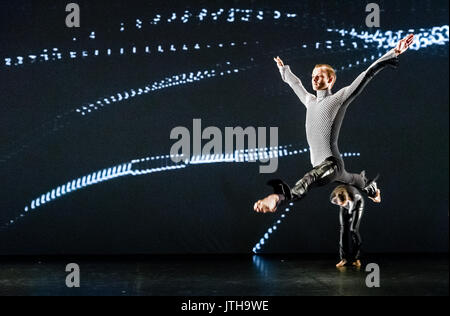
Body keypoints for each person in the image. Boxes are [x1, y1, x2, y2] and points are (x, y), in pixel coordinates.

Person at [253, 34, 414, 214]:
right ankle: (372, 189)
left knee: (309, 179)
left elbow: (365, 74)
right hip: (324, 167)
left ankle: (279, 198)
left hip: (331, 164)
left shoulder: (339, 98)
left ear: (330, 80)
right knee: (352, 179)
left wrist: (394, 52)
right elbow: (295, 84)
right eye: (313, 76)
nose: (314, 79)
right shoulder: (309, 100)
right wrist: (284, 70)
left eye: (319, 76)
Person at [330, 185, 365, 268]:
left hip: (357, 204)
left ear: (347, 198)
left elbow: (350, 212)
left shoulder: (354, 196)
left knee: (353, 229)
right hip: (344, 204)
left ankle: (357, 259)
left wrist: (350, 217)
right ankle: (343, 259)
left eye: (344, 203)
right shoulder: (333, 198)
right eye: (340, 203)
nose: (342, 204)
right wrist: (343, 205)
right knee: (343, 229)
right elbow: (342, 205)